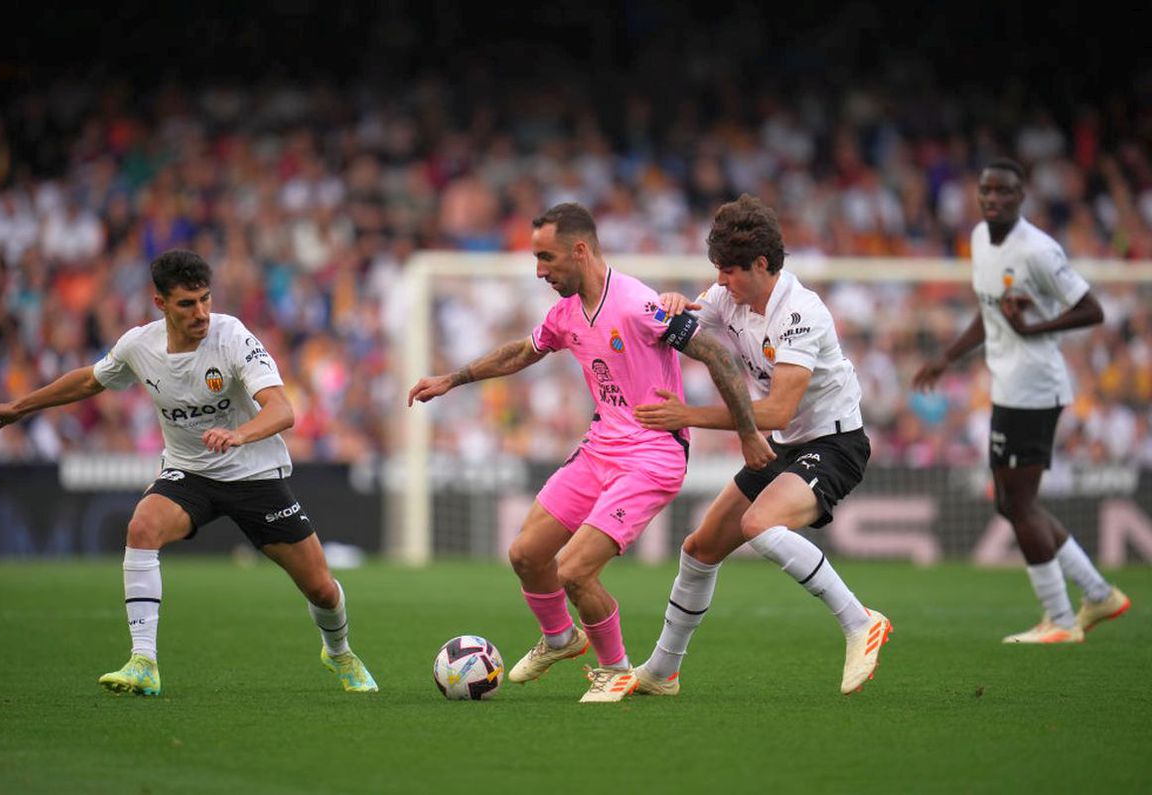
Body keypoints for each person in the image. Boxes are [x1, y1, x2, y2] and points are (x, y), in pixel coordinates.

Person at [408, 202, 774, 703]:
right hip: (601, 446)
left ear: (580, 250)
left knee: (574, 571)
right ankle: (560, 639)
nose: (540, 271)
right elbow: (521, 351)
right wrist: (452, 379)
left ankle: (616, 669)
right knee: (526, 554)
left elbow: (715, 354)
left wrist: (748, 432)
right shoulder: (564, 313)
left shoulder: (636, 304)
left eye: (547, 258)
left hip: (652, 454)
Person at [0, 250, 377, 695]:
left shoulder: (233, 337)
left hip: (254, 475)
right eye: (187, 303)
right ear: (160, 304)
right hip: (190, 473)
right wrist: (20, 406)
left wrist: (240, 436)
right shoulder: (139, 346)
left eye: (205, 299)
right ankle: (143, 660)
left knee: (321, 589)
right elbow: (90, 380)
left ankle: (338, 652)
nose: (201, 312)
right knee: (142, 525)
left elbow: (282, 409)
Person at [630, 194, 891, 697]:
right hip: (782, 445)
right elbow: (676, 331)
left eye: (729, 271)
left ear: (762, 264)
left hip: (834, 443)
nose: (721, 280)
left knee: (758, 525)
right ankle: (662, 672)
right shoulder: (729, 297)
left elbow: (775, 412)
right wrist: (669, 306)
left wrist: (686, 416)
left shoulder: (801, 313)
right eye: (718, 271)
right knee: (700, 548)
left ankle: (861, 622)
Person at [914, 159, 1129, 643]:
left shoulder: (1038, 250)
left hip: (1035, 388)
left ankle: (1061, 620)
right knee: (1012, 504)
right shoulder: (977, 239)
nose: (994, 200)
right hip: (1008, 387)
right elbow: (989, 312)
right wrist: (946, 357)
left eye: (1004, 193)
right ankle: (1098, 594)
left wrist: (1034, 328)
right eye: (986, 192)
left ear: (1022, 196)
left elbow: (1091, 309)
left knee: (1019, 503)